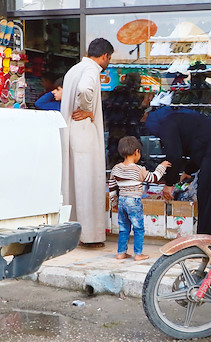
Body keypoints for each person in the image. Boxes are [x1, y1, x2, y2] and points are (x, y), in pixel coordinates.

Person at [145, 106, 211, 235]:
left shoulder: (167, 125)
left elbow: (174, 155)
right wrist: (188, 171)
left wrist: (169, 184)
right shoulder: (180, 118)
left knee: (207, 195)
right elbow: (197, 144)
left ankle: (208, 240)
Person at [60, 38, 114, 248]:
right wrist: (87, 108)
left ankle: (72, 234)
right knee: (88, 182)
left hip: (72, 130)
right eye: (109, 58)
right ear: (104, 56)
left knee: (74, 182)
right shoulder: (91, 70)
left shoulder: (74, 69)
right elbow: (84, 90)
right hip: (83, 130)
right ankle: (89, 236)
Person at [108, 136, 171, 261]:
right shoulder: (138, 170)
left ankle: (121, 252)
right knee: (138, 228)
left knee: (124, 228)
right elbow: (154, 178)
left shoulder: (116, 169)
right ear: (137, 152)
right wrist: (162, 166)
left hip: (122, 202)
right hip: (134, 202)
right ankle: (138, 254)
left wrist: (114, 203)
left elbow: (112, 187)